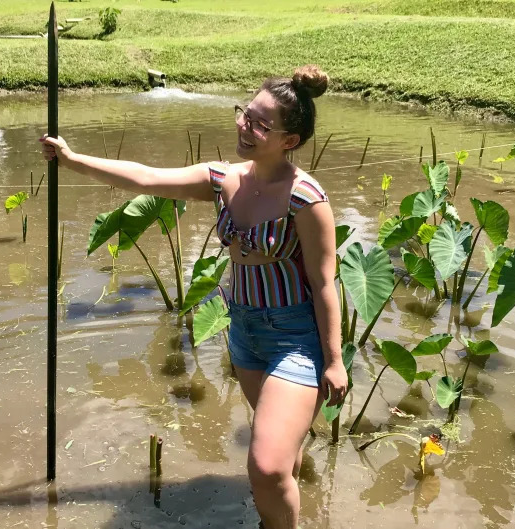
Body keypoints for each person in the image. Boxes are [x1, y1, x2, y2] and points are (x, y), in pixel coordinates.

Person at [40, 64, 347, 529]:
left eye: (262, 124)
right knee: (282, 455)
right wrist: (71, 159)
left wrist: (335, 359)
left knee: (264, 466)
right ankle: (295, 500)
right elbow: (145, 177)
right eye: (247, 114)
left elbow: (325, 283)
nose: (246, 127)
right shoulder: (221, 179)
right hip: (244, 333)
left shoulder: (305, 198)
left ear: (290, 140)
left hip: (295, 338)